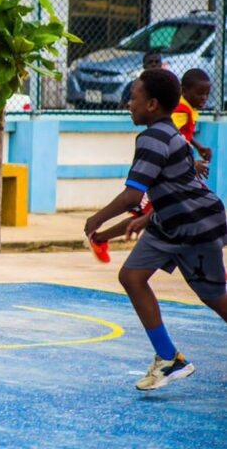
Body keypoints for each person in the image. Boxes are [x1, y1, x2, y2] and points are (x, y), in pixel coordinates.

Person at [84, 69, 227, 391]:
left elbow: (134, 194)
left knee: (216, 297)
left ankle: (169, 358)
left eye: (133, 97)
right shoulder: (169, 133)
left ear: (151, 104)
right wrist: (141, 220)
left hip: (195, 225)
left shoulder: (152, 137)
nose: (128, 103)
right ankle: (169, 358)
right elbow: (170, 187)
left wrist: (97, 220)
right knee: (131, 277)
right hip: (169, 221)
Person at [88, 68, 212, 263]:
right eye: (200, 93)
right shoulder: (172, 120)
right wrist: (190, 160)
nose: (204, 98)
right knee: (142, 216)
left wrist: (192, 155)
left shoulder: (167, 127)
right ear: (185, 91)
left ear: (152, 105)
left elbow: (176, 139)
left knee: (143, 218)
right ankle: (101, 238)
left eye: (207, 94)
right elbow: (175, 137)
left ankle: (100, 238)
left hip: (186, 212)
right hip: (178, 197)